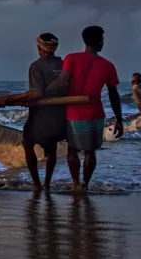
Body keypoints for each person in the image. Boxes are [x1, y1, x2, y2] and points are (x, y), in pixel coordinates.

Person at [49, 26, 123, 192]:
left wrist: (42, 94)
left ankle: (76, 183)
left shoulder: (72, 58)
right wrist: (119, 119)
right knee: (90, 152)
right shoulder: (107, 65)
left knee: (72, 149)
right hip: (95, 113)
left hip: (73, 112)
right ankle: (86, 184)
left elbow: (61, 81)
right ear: (100, 42)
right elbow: (114, 95)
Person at [0, 33, 67, 192]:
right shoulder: (64, 64)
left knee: (27, 143)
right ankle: (47, 183)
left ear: (38, 48)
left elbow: (36, 93)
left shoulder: (36, 66)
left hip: (41, 115)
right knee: (52, 148)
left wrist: (10, 97)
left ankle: (36, 184)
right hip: (59, 115)